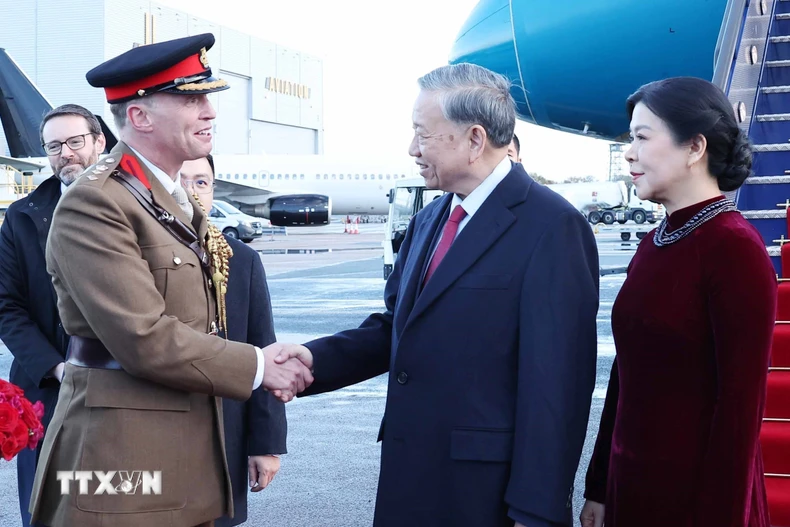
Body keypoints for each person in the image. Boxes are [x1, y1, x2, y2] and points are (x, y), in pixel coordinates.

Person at [272, 62, 600, 526]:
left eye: (422, 134)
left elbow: (558, 386)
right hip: (411, 476)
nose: (411, 149)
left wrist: (537, 510)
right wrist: (312, 359)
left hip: (486, 494)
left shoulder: (552, 226)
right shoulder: (431, 219)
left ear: (474, 139)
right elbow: (399, 329)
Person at [28, 33, 312, 527]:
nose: (209, 112)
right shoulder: (95, 202)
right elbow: (143, 337)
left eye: (207, 98)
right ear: (139, 116)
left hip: (186, 453)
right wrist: (259, 367)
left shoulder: (169, 197)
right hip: (119, 460)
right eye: (191, 98)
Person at [580, 77, 776, 527]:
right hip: (632, 491)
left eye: (642, 138)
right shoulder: (656, 241)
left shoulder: (734, 249)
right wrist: (599, 486)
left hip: (697, 503)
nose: (628, 152)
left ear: (694, 148)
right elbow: (624, 376)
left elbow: (739, 413)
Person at [0, 103, 106, 527]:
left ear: (99, 142)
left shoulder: (138, 208)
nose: (66, 153)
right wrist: (56, 367)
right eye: (54, 146)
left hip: (127, 387)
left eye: (75, 141)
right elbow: (7, 306)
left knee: (120, 499)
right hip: (47, 390)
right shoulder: (22, 217)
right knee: (46, 509)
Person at [180, 154, 286, 527]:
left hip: (225, 434)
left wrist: (266, 444)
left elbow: (263, 349)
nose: (191, 192)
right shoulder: (134, 255)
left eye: (201, 182)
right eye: (181, 180)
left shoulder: (242, 260)